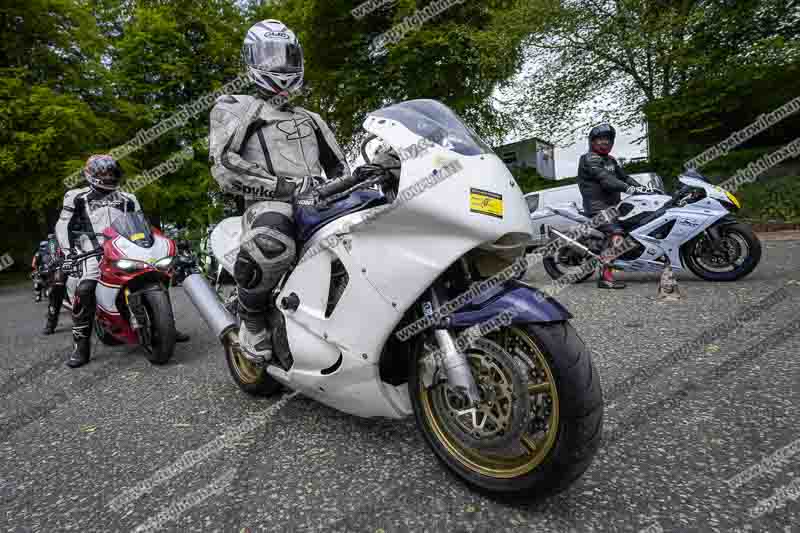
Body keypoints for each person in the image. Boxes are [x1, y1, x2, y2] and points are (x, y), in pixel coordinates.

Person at [209, 19, 353, 363]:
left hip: (319, 202)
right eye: (269, 56)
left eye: (286, 55)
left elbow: (340, 167)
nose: (280, 64)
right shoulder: (235, 106)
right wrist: (281, 186)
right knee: (272, 242)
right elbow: (223, 166)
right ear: (251, 60)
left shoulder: (312, 117)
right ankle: (252, 319)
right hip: (266, 203)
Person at [45, 155, 190, 367]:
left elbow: (143, 224)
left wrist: (156, 243)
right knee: (85, 288)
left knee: (155, 275)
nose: (109, 176)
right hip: (91, 249)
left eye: (112, 172)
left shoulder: (129, 198)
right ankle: (81, 346)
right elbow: (62, 225)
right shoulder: (76, 196)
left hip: (125, 245)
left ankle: (166, 325)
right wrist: (67, 254)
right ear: (91, 174)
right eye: (104, 173)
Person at [577, 123, 652, 289]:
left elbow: (624, 177)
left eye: (608, 140)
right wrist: (628, 189)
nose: (604, 143)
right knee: (616, 233)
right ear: (592, 141)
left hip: (613, 206)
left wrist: (642, 188)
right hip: (597, 207)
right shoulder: (589, 159)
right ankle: (605, 277)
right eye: (600, 139)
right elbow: (605, 179)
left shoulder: (610, 160)